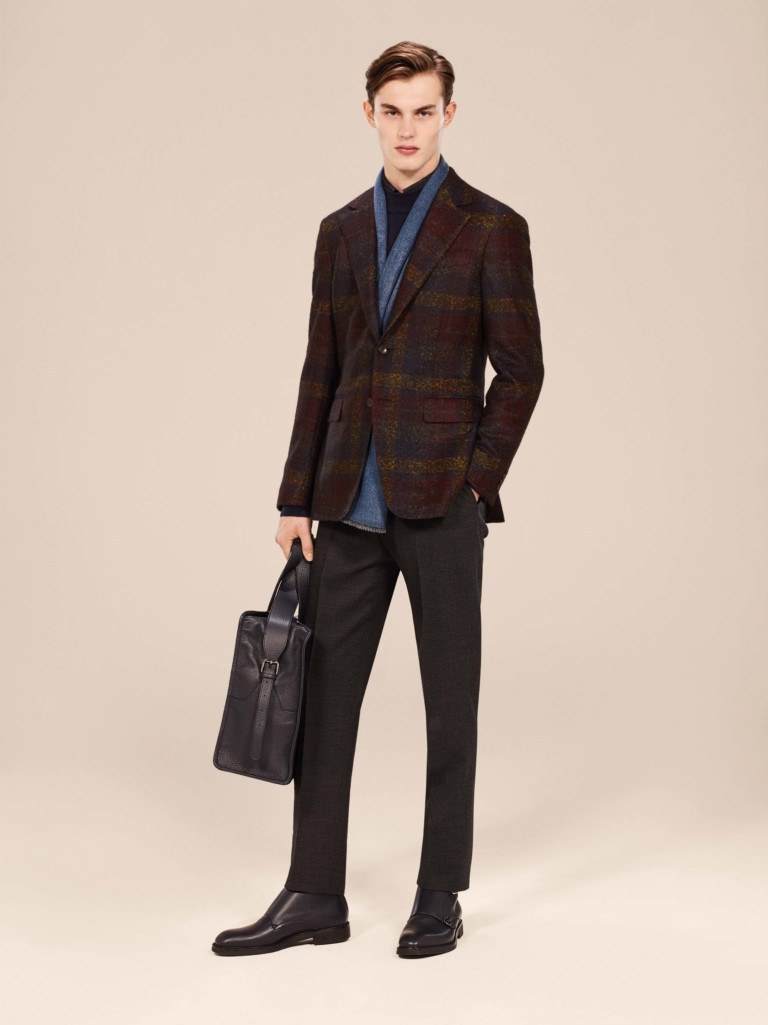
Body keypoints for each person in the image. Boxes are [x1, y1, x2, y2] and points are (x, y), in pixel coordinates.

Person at [212, 39, 544, 959]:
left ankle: (440, 893)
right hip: (347, 505)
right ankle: (314, 892)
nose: (407, 129)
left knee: (450, 703)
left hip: (443, 501)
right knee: (322, 702)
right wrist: (295, 496)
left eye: (423, 111)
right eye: (392, 112)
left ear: (448, 115)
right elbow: (320, 368)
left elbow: (521, 372)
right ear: (370, 115)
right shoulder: (341, 230)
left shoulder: (491, 227)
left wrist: (477, 479)